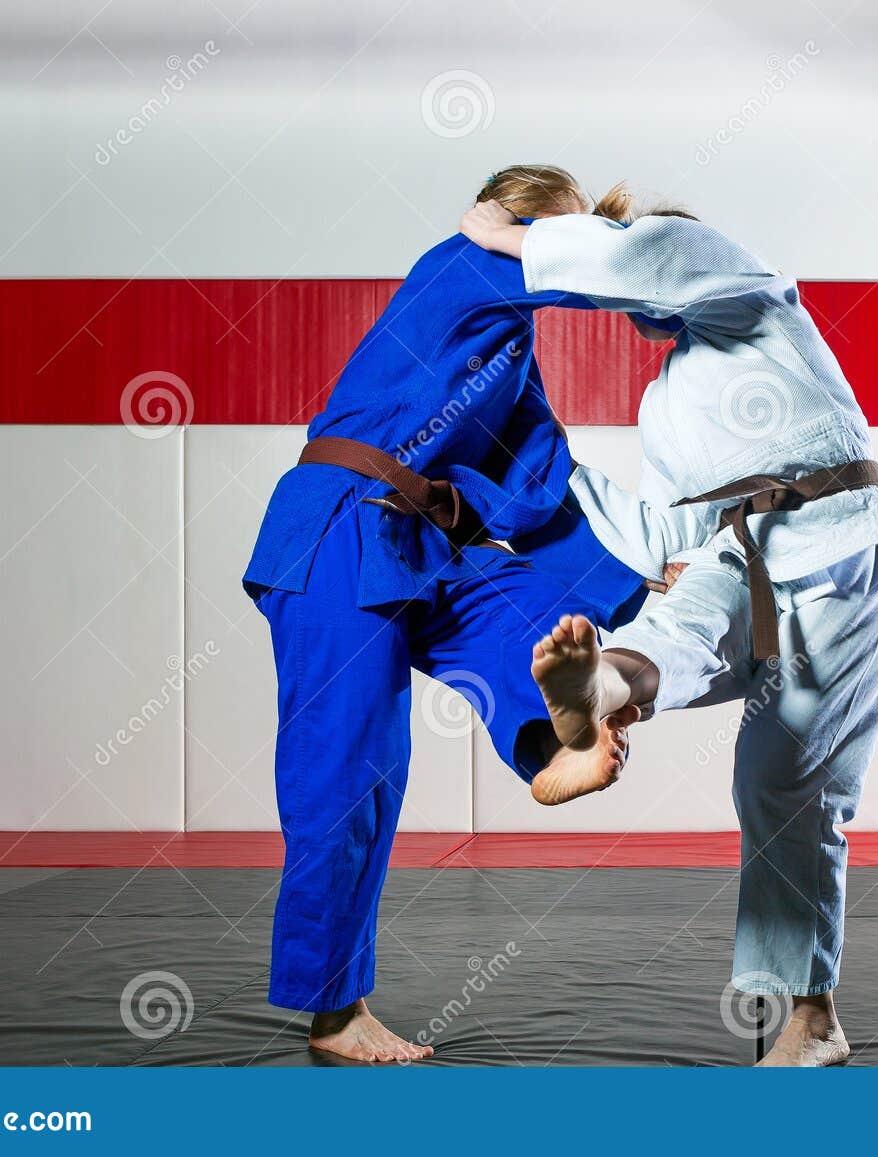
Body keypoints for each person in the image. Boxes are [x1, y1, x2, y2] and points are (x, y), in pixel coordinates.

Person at [459, 198, 878, 1066]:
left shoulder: (754, 294)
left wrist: (507, 237)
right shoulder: (667, 397)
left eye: (624, 251)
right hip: (734, 553)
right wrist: (536, 485)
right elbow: (666, 534)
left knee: (783, 780)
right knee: (679, 621)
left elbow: (656, 253)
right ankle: (605, 682)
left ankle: (808, 1016)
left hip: (834, 540)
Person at [244, 166, 644, 1063]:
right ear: (517, 226)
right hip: (337, 532)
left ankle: (555, 745)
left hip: (412, 548)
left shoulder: (510, 352)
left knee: (530, 615)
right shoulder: (460, 266)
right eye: (552, 234)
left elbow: (542, 480)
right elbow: (605, 269)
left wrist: (636, 573)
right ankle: (334, 1015)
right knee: (349, 772)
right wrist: (536, 233)